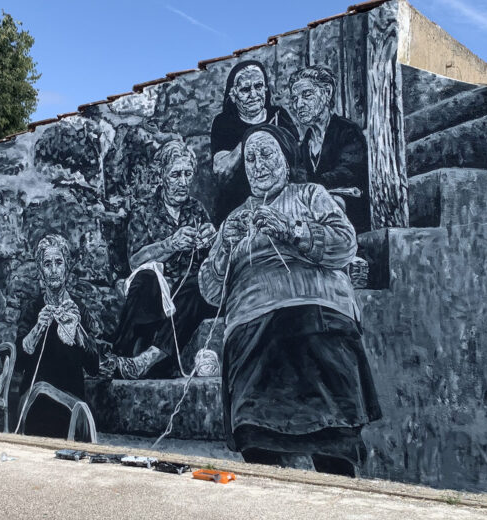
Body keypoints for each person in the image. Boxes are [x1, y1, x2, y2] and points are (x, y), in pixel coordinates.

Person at [198, 123, 382, 476]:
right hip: (252, 328)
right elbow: (209, 290)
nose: (257, 164)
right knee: (259, 436)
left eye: (266, 154)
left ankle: (337, 478)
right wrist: (224, 244)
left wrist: (290, 230)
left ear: (286, 158)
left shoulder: (311, 194)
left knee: (331, 432)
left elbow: (345, 243)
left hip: (315, 314)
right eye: (250, 158)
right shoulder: (236, 219)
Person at [113, 139, 217, 379]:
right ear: (161, 176)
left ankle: (147, 358)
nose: (183, 182)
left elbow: (212, 263)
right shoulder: (144, 210)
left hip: (190, 293)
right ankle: (120, 354)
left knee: (196, 285)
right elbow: (135, 261)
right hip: (156, 293)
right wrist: (170, 244)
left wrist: (212, 239)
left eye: (188, 174)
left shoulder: (197, 209)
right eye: (175, 175)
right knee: (146, 278)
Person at [15, 234, 99, 440]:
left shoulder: (78, 308)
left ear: (67, 268)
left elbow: (93, 366)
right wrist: (37, 328)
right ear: (40, 272)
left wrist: (77, 329)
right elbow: (19, 362)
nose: (53, 270)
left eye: (58, 263)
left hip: (71, 400)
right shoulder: (32, 309)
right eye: (47, 264)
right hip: (36, 399)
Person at [210, 60, 295, 224]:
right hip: (237, 206)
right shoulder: (224, 123)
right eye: (245, 89)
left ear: (265, 88)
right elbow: (221, 172)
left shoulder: (279, 115)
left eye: (258, 86)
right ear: (233, 96)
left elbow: (296, 160)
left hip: (280, 202)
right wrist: (250, 138)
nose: (254, 94)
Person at [288, 65, 371, 233]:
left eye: (307, 95)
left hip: (350, 213)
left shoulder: (347, 131)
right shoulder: (304, 146)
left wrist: (310, 187)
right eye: (295, 99)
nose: (299, 105)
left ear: (326, 92)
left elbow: (348, 172)